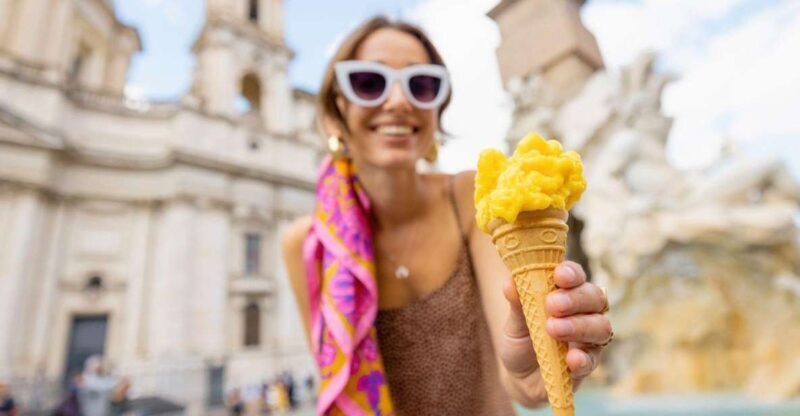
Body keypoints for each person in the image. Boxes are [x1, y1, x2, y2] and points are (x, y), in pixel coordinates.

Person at [281, 16, 614, 415]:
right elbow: (331, 375)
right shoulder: (305, 245)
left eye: (422, 85)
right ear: (338, 105)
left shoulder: (469, 198)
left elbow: (523, 383)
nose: (399, 101)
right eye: (369, 82)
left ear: (436, 109)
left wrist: (537, 366)